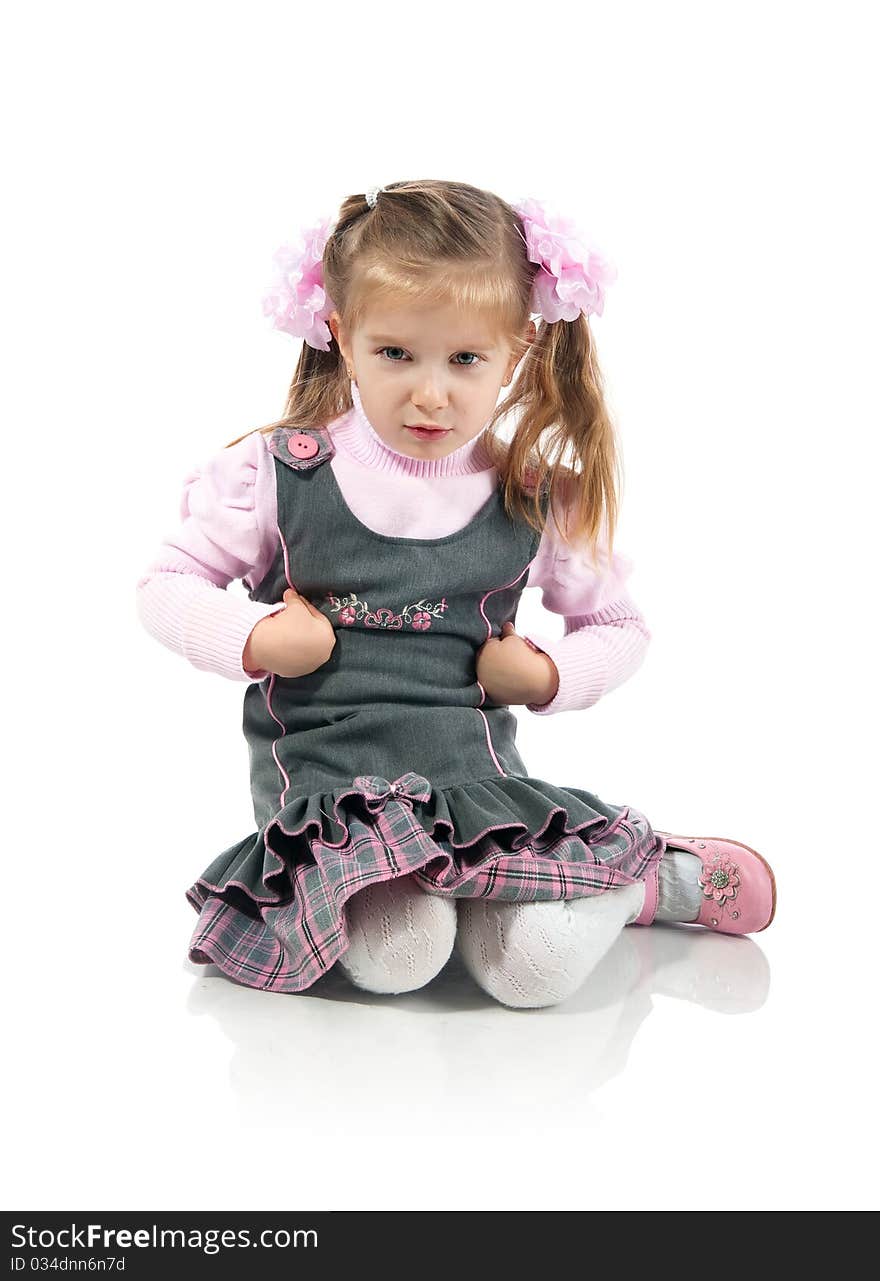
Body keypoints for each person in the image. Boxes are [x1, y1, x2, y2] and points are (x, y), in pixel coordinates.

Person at [136, 179, 776, 1009]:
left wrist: (549, 677)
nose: (430, 393)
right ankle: (526, 888)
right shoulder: (278, 474)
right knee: (400, 953)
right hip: (332, 802)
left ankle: (639, 883)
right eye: (396, 353)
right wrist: (253, 639)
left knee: (531, 973)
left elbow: (619, 625)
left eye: (465, 359)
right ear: (340, 333)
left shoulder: (532, 494)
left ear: (520, 352)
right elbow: (164, 585)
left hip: (475, 793)